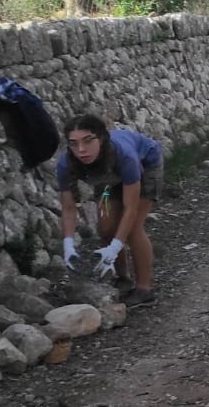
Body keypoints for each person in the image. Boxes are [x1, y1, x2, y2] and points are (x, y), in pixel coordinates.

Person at [57, 115, 163, 306]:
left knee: (133, 228)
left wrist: (115, 247)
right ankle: (123, 279)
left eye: (88, 141)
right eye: (74, 144)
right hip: (109, 178)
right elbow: (68, 207)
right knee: (106, 229)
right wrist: (68, 244)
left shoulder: (126, 156)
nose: (81, 150)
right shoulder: (66, 164)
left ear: (102, 138)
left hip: (145, 166)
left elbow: (130, 208)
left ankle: (144, 289)